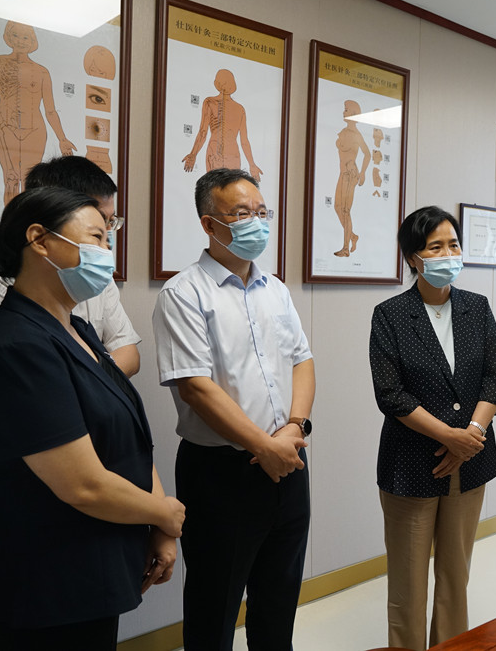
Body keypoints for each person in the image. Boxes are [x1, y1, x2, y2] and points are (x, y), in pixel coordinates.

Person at [0, 187, 184, 650]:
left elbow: (130, 436)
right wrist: (164, 513)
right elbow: (82, 484)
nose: (107, 252)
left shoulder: (78, 329)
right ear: (40, 240)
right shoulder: (17, 345)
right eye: (96, 237)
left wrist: (158, 525)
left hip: (94, 565)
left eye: (109, 238)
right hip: (45, 584)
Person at [153, 168, 314, 650]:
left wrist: (294, 427)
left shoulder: (276, 288)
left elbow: (302, 361)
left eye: (262, 212)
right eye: (242, 214)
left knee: (279, 598)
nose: (256, 223)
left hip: (289, 459)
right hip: (221, 472)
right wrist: (264, 446)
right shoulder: (184, 293)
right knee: (214, 605)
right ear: (209, 224)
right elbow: (196, 388)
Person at [369, 206, 496, 650]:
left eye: (453, 244)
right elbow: (391, 394)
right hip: (411, 464)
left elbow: (495, 381)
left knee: (455, 575)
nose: (448, 254)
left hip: (472, 460)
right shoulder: (390, 314)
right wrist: (450, 438)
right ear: (414, 258)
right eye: (435, 247)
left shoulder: (476, 308)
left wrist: (470, 435)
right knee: (408, 582)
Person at [0, 155, 141, 377]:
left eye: (111, 222)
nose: (107, 239)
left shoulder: (94, 270)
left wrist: (92, 381)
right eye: (98, 224)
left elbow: (129, 354)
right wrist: (98, 377)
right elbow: (41, 365)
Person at [0, 22, 76, 206]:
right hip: (4, 126)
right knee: (10, 178)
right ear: (7, 37)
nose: (20, 41)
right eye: (15, 35)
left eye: (25, 37)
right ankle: (10, 223)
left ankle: (29, 222)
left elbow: (50, 110)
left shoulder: (42, 71)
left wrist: (62, 139)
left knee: (30, 182)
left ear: (32, 41)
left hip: (35, 130)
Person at [333, 100, 370, 257]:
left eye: (346, 110)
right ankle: (353, 236)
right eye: (344, 109)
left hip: (350, 174)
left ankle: (346, 248)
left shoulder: (356, 135)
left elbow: (367, 154)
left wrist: (363, 173)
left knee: (346, 210)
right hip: (342, 173)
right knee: (337, 207)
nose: (343, 112)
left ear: (354, 114)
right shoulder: (344, 131)